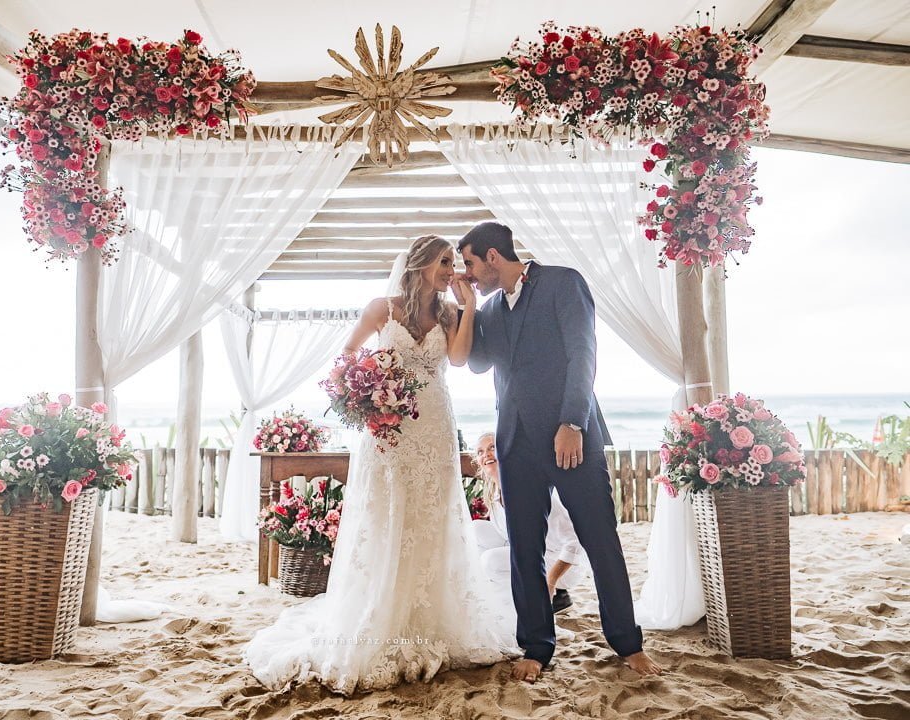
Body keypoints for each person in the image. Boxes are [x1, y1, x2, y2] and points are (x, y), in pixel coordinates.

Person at [244, 235, 518, 695]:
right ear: (419, 264)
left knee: (431, 517)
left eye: (453, 261)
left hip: (432, 425)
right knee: (386, 515)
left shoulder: (449, 313)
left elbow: (457, 358)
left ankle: (431, 619)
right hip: (386, 431)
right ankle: (379, 617)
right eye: (443, 261)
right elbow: (344, 360)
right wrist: (367, 394)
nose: (451, 269)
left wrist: (468, 307)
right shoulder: (381, 308)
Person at [458, 221, 662, 681]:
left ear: (493, 257)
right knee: (524, 549)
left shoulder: (563, 282)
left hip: (570, 437)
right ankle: (535, 647)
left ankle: (628, 644)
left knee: (600, 539)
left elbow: (583, 352)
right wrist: (467, 307)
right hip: (514, 442)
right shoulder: (489, 310)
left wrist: (573, 422)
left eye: (470, 264)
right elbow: (475, 364)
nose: (468, 273)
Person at [471, 432, 586, 613]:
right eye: (480, 451)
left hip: (559, 563)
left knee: (490, 560)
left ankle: (549, 599)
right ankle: (503, 595)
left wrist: (551, 580)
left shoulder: (533, 490)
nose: (486, 455)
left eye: (492, 447)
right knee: (474, 530)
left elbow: (575, 542)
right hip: (527, 551)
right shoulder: (494, 493)